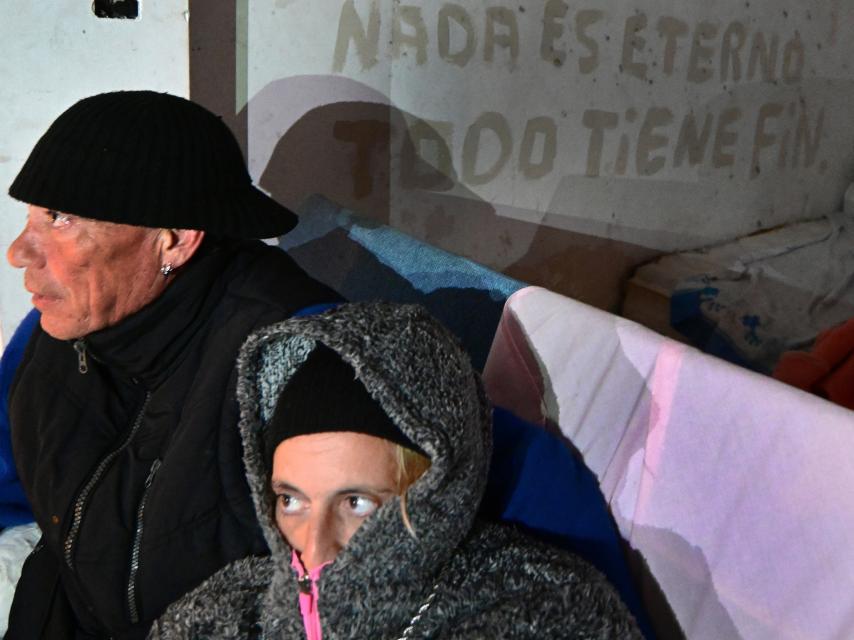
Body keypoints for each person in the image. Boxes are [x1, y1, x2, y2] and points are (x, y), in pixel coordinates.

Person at [3, 90, 340, 638]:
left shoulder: (293, 357)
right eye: (34, 215)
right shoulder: (60, 326)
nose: (19, 251)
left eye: (60, 219)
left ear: (174, 241)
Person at [149, 303, 642, 639]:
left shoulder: (544, 610)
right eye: (291, 500)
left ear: (438, 491)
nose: (314, 549)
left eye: (356, 503)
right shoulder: (222, 612)